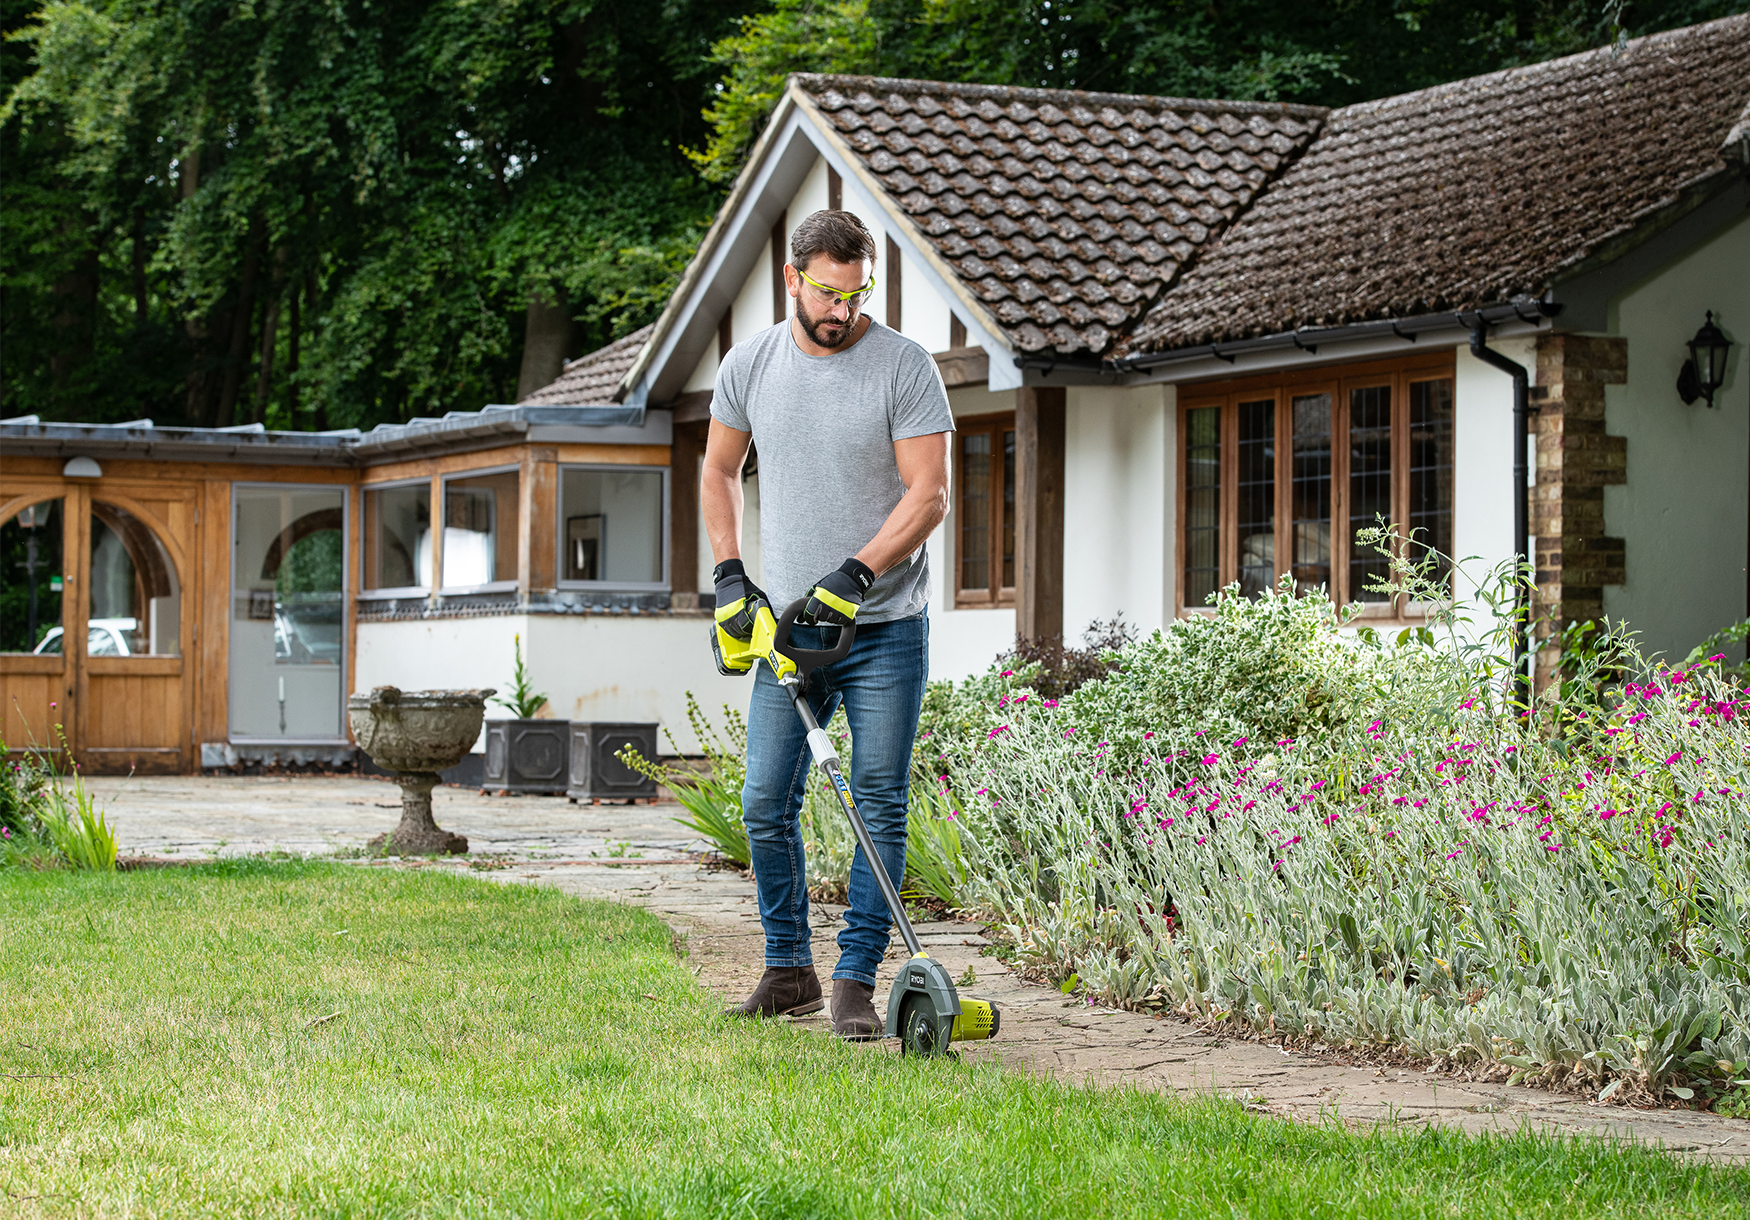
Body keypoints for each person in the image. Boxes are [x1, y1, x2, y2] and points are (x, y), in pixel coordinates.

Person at [701, 209, 953, 1040]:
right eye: (827, 293)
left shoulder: (905, 367)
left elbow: (929, 495)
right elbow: (718, 469)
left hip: (882, 628)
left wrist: (857, 572)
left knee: (877, 803)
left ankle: (852, 978)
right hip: (787, 634)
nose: (841, 311)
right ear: (792, 279)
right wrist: (731, 573)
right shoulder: (750, 365)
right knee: (765, 799)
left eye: (856, 295)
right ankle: (787, 969)